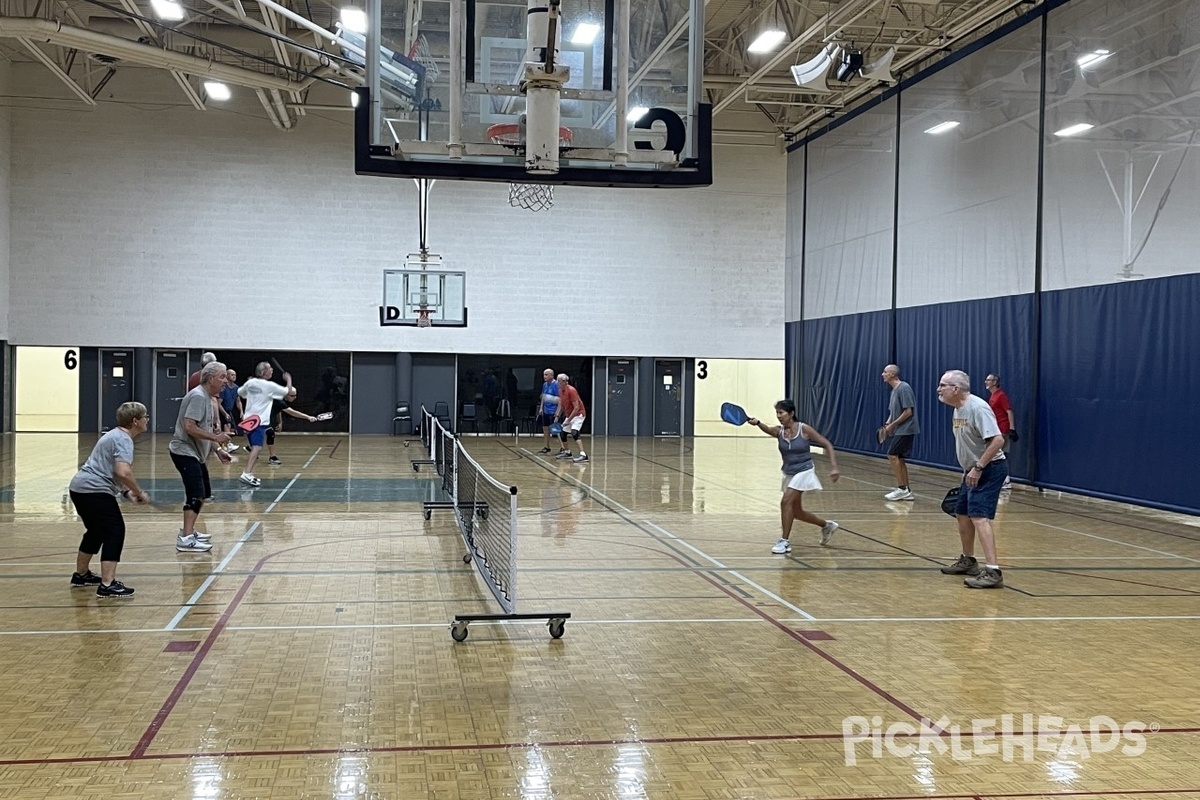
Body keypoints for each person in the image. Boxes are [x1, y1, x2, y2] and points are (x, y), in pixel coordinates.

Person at [67, 401, 151, 597]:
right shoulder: (123, 440)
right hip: (94, 491)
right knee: (115, 530)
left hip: (80, 488)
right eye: (145, 416)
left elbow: (109, 469)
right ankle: (107, 584)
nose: (147, 420)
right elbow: (123, 472)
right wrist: (138, 492)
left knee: (96, 531)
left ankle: (81, 575)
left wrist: (125, 492)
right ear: (135, 421)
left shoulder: (114, 435)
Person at [936, 370, 1008, 589]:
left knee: (978, 517)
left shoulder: (977, 408)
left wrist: (978, 467)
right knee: (962, 513)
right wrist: (968, 469)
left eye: (943, 385)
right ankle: (968, 561)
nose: (939, 389)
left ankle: (994, 571)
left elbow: (997, 440)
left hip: (989, 468)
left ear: (955, 389)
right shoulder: (958, 409)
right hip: (972, 470)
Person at [747, 400, 840, 554]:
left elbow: (827, 444)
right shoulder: (780, 432)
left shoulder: (804, 429)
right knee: (796, 512)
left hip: (805, 471)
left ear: (791, 414)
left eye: (781, 413)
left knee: (785, 502)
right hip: (789, 472)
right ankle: (826, 525)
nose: (778, 416)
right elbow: (769, 429)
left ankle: (784, 541)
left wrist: (834, 467)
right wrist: (758, 423)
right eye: (777, 413)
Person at [170, 361, 232, 553]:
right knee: (195, 494)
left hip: (197, 453)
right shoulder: (197, 396)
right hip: (184, 452)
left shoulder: (207, 397)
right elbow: (190, 427)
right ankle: (185, 538)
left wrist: (218, 449)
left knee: (203, 493)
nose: (225, 380)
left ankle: (189, 530)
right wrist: (216, 437)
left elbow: (203, 427)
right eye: (222, 376)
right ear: (211, 378)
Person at [237, 361, 292, 486]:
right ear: (263, 372)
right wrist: (288, 379)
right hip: (259, 422)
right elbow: (287, 392)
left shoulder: (250, 383)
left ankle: (249, 473)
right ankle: (246, 473)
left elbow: (241, 393)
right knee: (257, 447)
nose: (272, 370)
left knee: (254, 448)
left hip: (248, 421)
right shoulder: (269, 386)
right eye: (269, 369)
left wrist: (250, 392)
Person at [880, 364, 920, 501]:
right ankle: (906, 490)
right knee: (899, 458)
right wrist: (888, 422)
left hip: (907, 428)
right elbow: (893, 411)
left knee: (892, 455)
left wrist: (893, 424)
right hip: (899, 429)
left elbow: (908, 412)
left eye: (885, 372)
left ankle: (902, 488)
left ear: (892, 374)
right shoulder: (894, 390)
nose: (882, 374)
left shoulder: (904, 388)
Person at [262, 388, 320, 465]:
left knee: (267, 434)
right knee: (270, 433)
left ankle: (251, 447)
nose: (295, 397)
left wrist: (280, 422)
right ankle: (272, 457)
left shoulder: (279, 400)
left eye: (295, 395)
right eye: (292, 396)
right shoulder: (278, 401)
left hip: (264, 419)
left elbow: (278, 410)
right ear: (286, 394)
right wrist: (308, 417)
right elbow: (292, 412)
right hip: (258, 418)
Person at [984, 374, 1016, 490]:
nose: (986, 382)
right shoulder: (993, 396)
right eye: (986, 380)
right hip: (995, 428)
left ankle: (1005, 480)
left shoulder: (1001, 395)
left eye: (988, 380)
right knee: (995, 454)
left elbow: (1009, 411)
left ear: (995, 382)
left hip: (1002, 429)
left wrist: (1012, 429)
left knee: (1000, 454)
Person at [553, 373, 588, 463]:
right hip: (570, 415)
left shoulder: (572, 390)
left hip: (578, 414)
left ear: (564, 382)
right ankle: (567, 452)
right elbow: (561, 404)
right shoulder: (560, 390)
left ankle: (583, 455)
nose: (557, 383)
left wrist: (568, 420)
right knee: (563, 434)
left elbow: (576, 408)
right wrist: (557, 415)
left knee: (574, 432)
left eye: (559, 381)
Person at [536, 368, 559, 454]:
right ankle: (547, 447)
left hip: (553, 410)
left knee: (556, 430)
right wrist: (541, 408)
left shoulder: (556, 385)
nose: (544, 376)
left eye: (546, 375)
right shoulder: (545, 385)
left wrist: (558, 411)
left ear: (551, 375)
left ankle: (563, 448)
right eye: (544, 375)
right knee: (545, 428)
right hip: (545, 410)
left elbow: (559, 399)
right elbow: (543, 397)